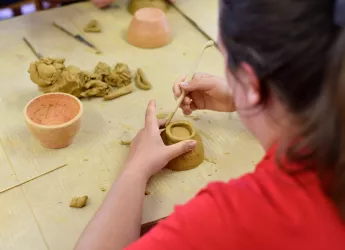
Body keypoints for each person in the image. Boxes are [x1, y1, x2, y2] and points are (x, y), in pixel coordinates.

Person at [75, 0, 345, 249]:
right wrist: (249, 101)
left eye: (226, 58)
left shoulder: (236, 218)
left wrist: (134, 171)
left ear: (253, 83)